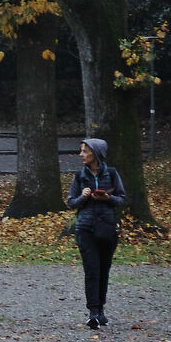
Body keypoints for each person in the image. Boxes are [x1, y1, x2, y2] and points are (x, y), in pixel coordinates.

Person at [67, 137, 127, 328]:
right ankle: (92, 312)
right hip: (85, 229)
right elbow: (71, 202)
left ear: (95, 153)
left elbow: (121, 199)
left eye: (85, 151)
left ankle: (101, 310)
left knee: (104, 270)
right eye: (81, 151)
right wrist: (82, 198)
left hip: (107, 228)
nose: (81, 155)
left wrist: (107, 197)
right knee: (92, 270)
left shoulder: (111, 173)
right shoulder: (79, 176)